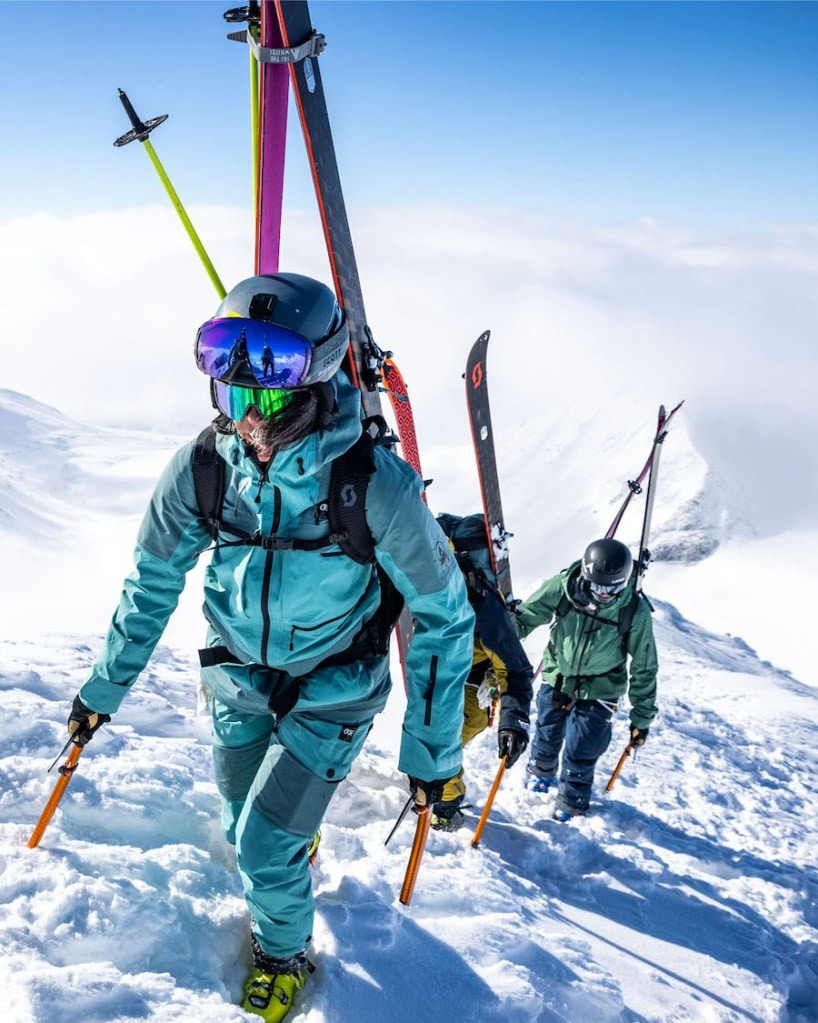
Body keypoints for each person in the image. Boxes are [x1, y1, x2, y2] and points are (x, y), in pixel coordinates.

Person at [65, 272, 474, 1022]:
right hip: (237, 680)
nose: (247, 407)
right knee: (237, 823)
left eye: (272, 381)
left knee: (259, 847)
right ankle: (291, 856)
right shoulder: (203, 467)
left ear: (318, 378)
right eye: (229, 373)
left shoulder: (373, 484)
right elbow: (152, 581)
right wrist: (103, 690)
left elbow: (445, 615)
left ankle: (283, 953)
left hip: (335, 690)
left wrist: (432, 753)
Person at [516, 538, 658, 822]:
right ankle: (540, 770)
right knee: (547, 731)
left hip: (601, 685)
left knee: (583, 745)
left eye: (612, 589)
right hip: (559, 675)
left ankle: (572, 800)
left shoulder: (633, 610)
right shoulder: (564, 588)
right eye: (597, 586)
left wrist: (641, 718)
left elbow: (644, 666)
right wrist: (501, 641)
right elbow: (528, 615)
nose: (603, 595)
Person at [431, 513, 533, 832]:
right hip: (436, 677)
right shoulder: (422, 589)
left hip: (472, 687)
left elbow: (515, 671)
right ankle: (437, 787)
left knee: (440, 744)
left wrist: (513, 722)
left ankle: (447, 805)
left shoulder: (483, 607)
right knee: (428, 743)